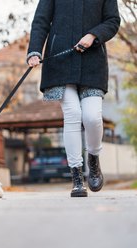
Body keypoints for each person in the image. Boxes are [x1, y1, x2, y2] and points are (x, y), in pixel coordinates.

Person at [27, 0, 120, 197]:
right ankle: (77, 177)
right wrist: (34, 50)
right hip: (59, 61)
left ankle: (93, 158)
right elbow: (41, 20)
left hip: (92, 63)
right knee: (73, 115)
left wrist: (94, 34)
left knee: (92, 117)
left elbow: (113, 20)